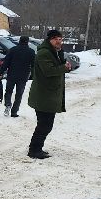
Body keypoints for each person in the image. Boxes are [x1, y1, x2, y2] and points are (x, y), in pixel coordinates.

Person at [27, 29, 71, 159]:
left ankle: (36, 148)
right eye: (56, 39)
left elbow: (56, 68)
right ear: (50, 40)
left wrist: (65, 66)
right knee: (44, 125)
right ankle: (34, 150)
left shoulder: (54, 52)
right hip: (43, 96)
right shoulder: (44, 53)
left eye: (60, 39)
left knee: (45, 125)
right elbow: (49, 71)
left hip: (47, 95)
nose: (59, 41)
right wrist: (64, 68)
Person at [0, 34, 35, 118]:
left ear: (19, 41)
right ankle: (14, 112)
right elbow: (34, 65)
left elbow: (6, 62)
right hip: (23, 76)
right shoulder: (31, 52)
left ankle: (8, 104)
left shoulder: (13, 50)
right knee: (19, 94)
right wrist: (34, 76)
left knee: (8, 91)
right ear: (28, 42)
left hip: (11, 74)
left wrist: (1, 72)